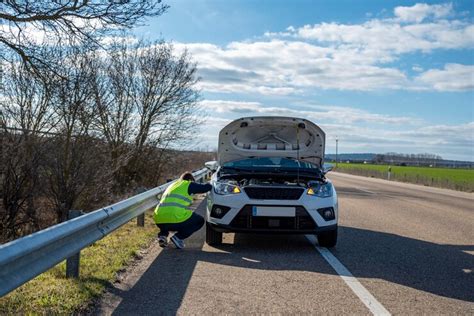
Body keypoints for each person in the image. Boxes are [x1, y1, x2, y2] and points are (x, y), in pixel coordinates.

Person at [153, 172, 212, 249]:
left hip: (158, 218)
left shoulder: (172, 185)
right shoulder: (188, 184)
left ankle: (162, 236)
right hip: (174, 218)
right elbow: (206, 188)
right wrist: (211, 183)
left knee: (166, 221)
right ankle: (178, 237)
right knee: (199, 221)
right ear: (190, 180)